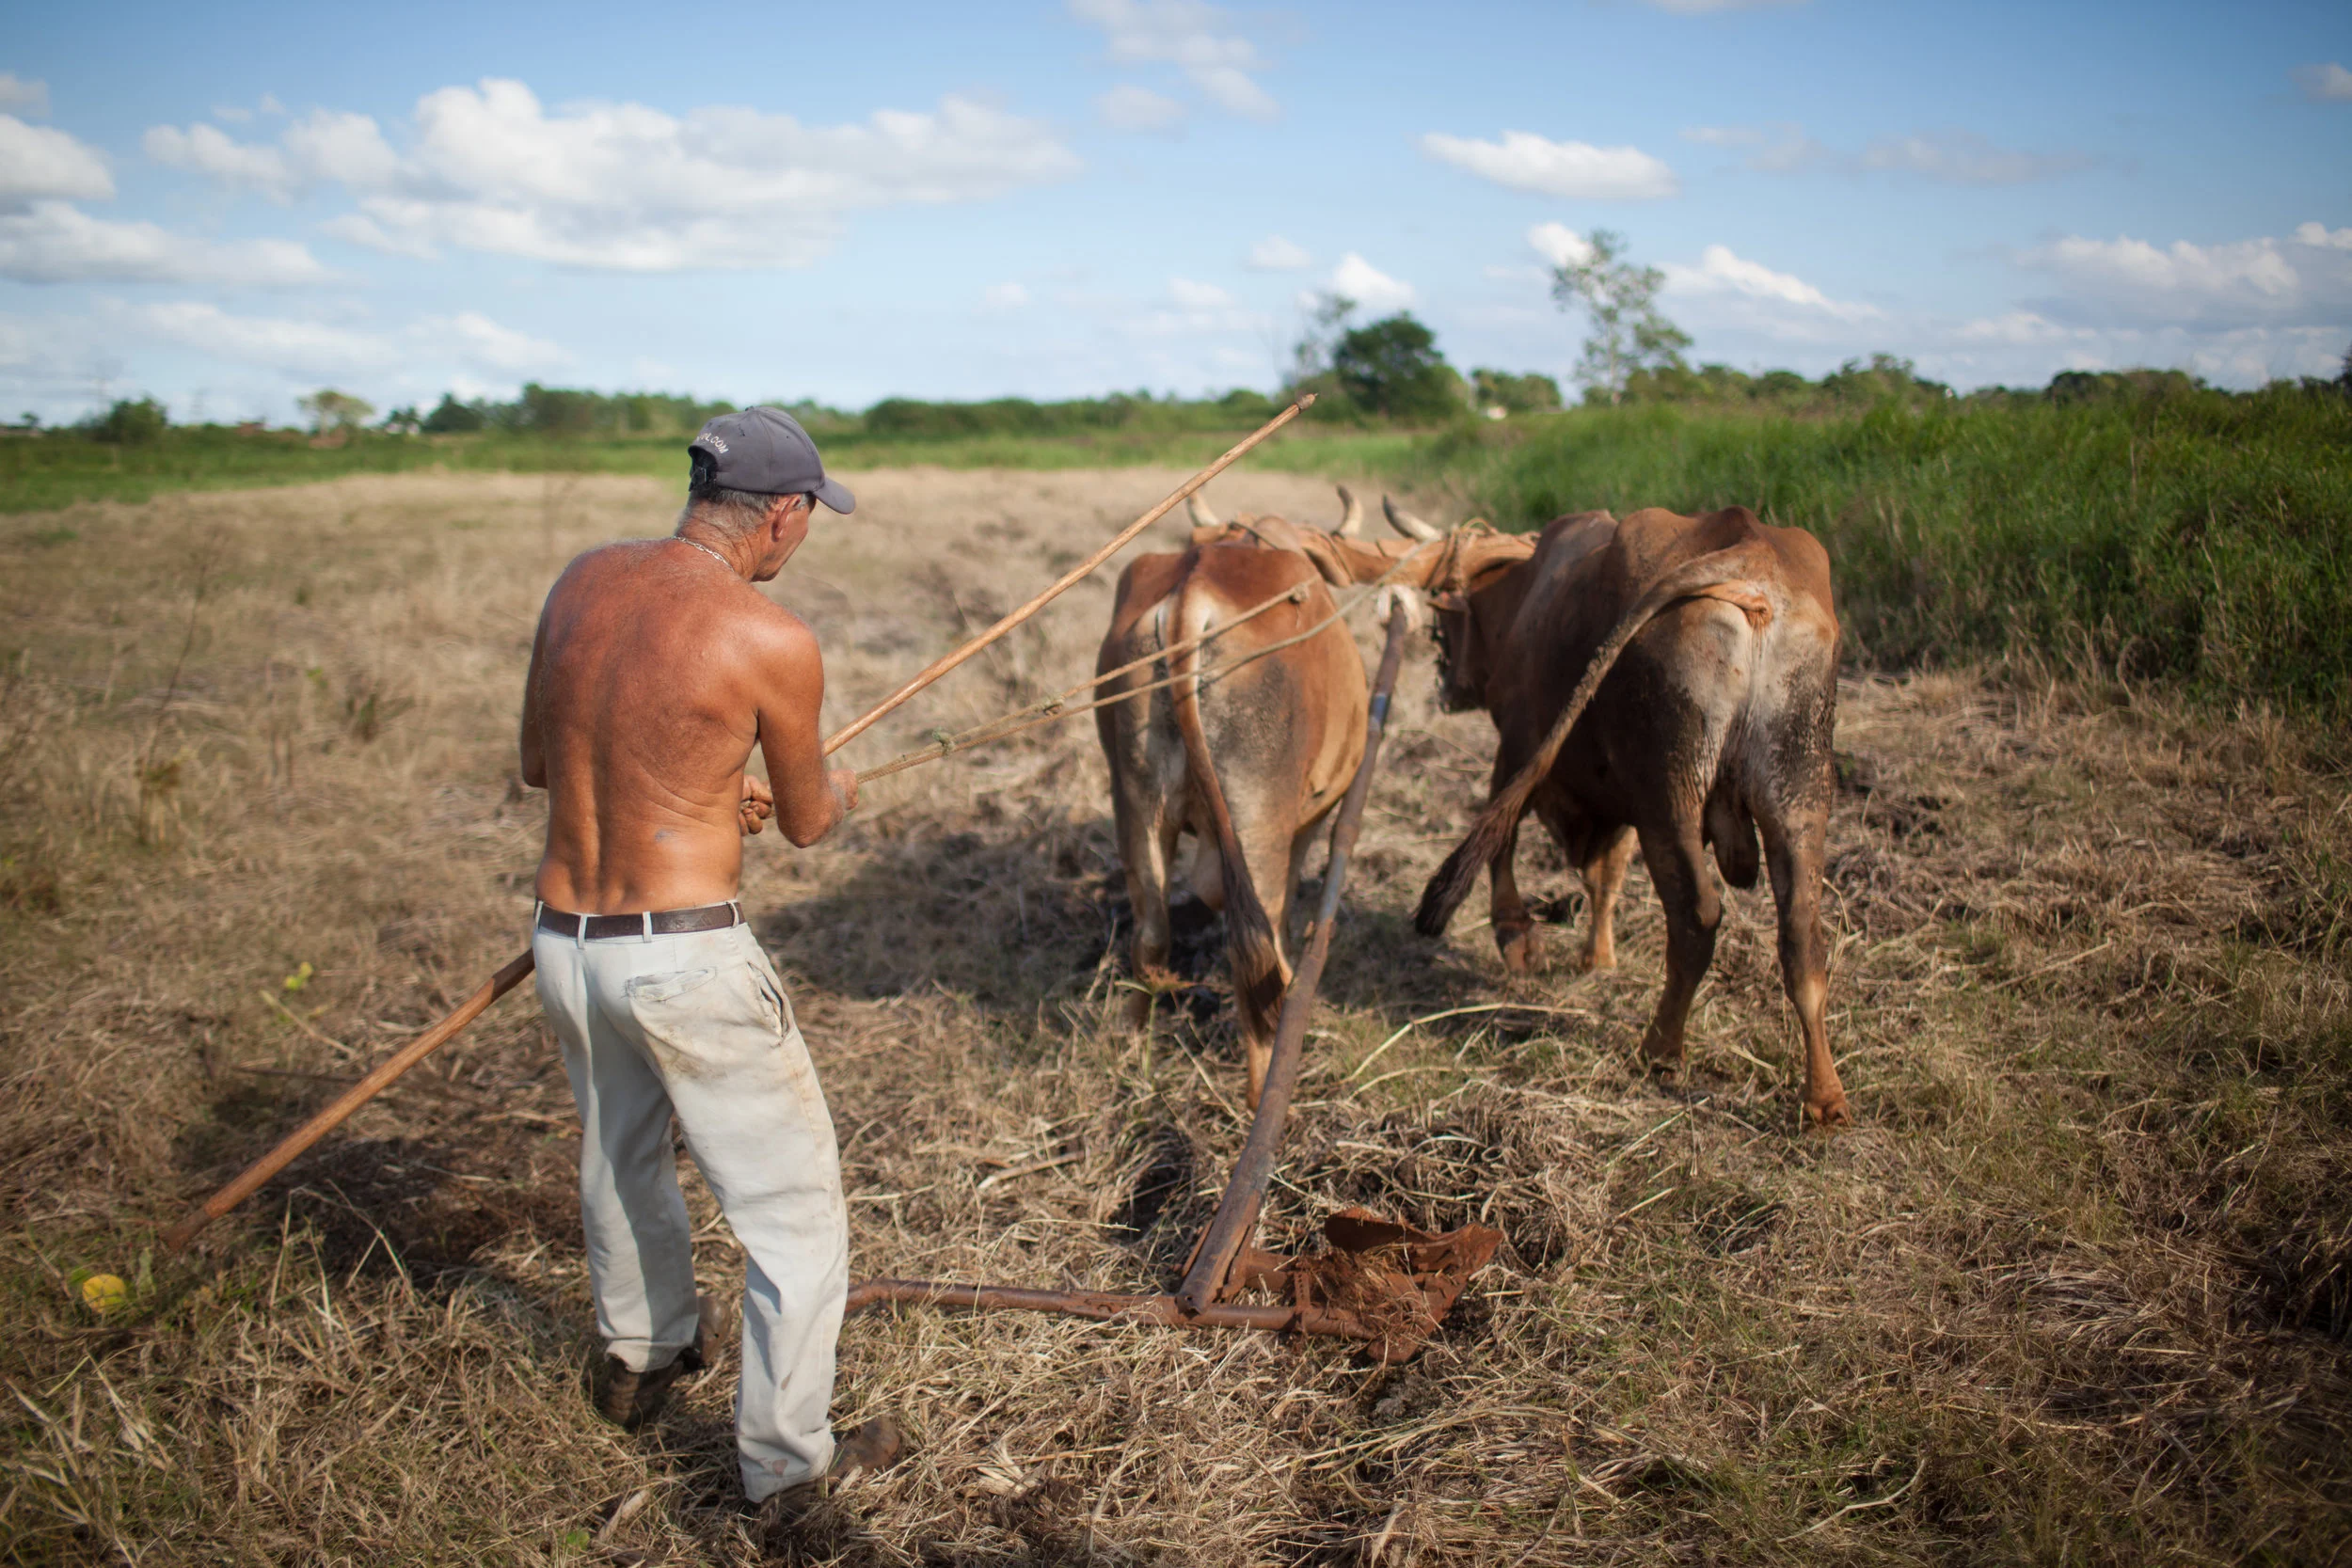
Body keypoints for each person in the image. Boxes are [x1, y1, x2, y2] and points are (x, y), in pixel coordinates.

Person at [517, 406, 901, 1512]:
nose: (802, 538)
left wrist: (695, 791)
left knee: (619, 1159)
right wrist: (819, 791)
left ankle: (638, 1357)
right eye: (808, 519)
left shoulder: (581, 584)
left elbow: (544, 763)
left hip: (567, 944)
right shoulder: (766, 635)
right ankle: (786, 1468)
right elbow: (811, 821)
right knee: (792, 1212)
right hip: (685, 959)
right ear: (781, 514)